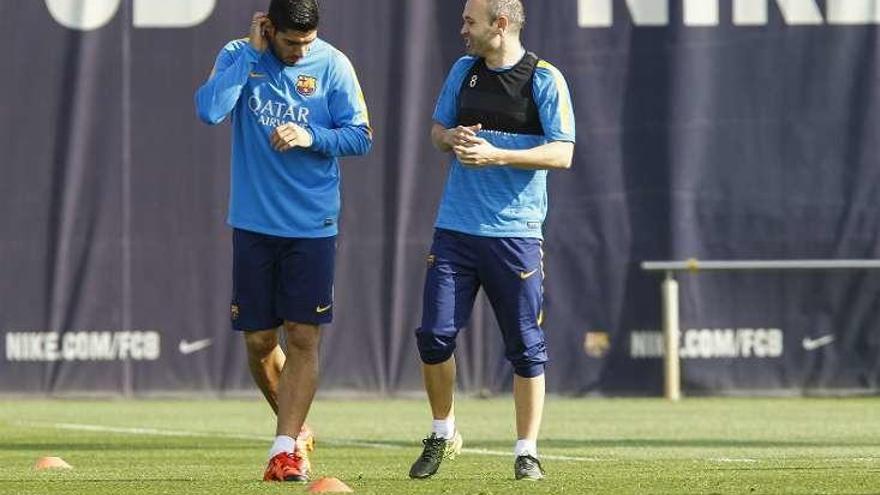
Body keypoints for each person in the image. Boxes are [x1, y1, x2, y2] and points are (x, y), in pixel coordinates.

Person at [194, 0, 371, 483]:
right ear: (267, 28)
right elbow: (210, 111)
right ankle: (297, 432)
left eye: (306, 43)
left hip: (312, 225)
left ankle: (284, 447)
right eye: (290, 42)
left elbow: (360, 136)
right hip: (253, 223)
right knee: (258, 341)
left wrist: (310, 135)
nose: (298, 51)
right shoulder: (239, 55)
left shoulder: (333, 64)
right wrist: (251, 57)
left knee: (303, 336)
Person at [408, 0, 575, 482]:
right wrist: (451, 137)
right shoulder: (463, 71)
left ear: (499, 25)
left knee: (526, 347)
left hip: (515, 235)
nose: (462, 29)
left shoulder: (544, 78)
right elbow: (437, 132)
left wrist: (498, 154)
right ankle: (443, 432)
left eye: (470, 21)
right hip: (455, 230)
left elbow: (563, 152)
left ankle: (527, 451)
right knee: (434, 336)